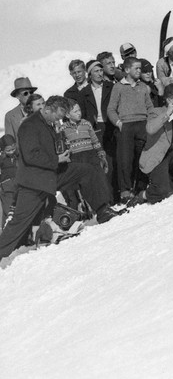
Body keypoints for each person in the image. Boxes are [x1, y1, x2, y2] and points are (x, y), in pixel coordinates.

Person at [0, 96, 116, 262]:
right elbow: (31, 156)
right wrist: (57, 159)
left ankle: (103, 210)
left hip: (52, 174)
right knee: (19, 221)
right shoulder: (29, 125)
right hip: (34, 182)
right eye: (58, 115)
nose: (59, 119)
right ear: (48, 109)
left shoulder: (48, 123)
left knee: (87, 171)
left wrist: (61, 149)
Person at [107, 56, 152, 201]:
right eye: (136, 68)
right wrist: (119, 123)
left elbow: (149, 107)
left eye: (140, 68)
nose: (140, 71)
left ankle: (141, 188)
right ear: (127, 70)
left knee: (143, 157)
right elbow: (111, 109)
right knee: (125, 160)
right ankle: (125, 191)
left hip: (142, 124)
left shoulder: (143, 87)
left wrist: (150, 120)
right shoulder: (118, 87)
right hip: (126, 126)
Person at [4, 77, 38, 143]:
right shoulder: (10, 116)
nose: (30, 95)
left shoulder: (42, 108)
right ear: (17, 96)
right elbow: (9, 142)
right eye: (25, 93)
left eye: (31, 92)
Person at [0, 135, 18, 227]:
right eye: (8, 150)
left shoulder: (18, 156)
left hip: (18, 186)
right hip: (6, 188)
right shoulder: (1, 159)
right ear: (3, 150)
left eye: (13, 149)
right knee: (9, 212)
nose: (11, 152)